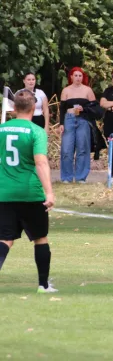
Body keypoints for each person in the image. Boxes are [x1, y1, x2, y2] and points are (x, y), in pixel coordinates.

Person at [0, 89, 57, 293]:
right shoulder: (36, 131)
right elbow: (40, 162)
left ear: (14, 109)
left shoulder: (1, 129)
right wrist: (49, 192)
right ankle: (43, 285)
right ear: (34, 108)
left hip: (5, 193)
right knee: (40, 238)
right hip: (31, 194)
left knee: (5, 239)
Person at [59, 67, 96, 183]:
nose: (78, 78)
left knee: (82, 148)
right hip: (69, 119)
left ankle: (81, 177)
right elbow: (62, 109)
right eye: (76, 75)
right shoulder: (66, 90)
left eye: (80, 76)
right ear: (71, 77)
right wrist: (61, 123)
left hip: (83, 120)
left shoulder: (88, 90)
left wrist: (84, 108)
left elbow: (95, 106)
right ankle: (66, 177)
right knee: (66, 149)